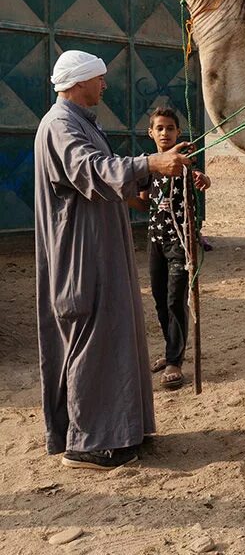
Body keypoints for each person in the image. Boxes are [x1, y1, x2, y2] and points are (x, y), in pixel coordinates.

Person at [35, 50, 191, 470]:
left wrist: (149, 177)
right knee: (91, 336)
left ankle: (118, 432)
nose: (104, 85)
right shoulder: (61, 125)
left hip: (100, 247)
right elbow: (90, 168)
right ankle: (86, 443)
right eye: (99, 79)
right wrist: (151, 162)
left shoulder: (81, 122)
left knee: (113, 332)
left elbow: (102, 177)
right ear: (80, 81)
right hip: (80, 254)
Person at [128, 107, 210, 391]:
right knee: (160, 299)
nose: (165, 133)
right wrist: (123, 197)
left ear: (178, 132)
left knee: (176, 299)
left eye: (170, 128)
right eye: (159, 128)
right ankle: (170, 348)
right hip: (156, 241)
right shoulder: (148, 167)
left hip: (181, 241)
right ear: (151, 132)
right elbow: (142, 203)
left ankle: (175, 361)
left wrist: (203, 180)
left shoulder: (184, 163)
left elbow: (201, 179)